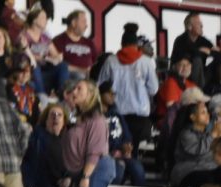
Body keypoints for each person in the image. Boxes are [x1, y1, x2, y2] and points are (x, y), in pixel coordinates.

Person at [97, 24, 158, 154]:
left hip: (118, 114)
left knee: (116, 151)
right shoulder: (146, 62)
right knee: (132, 152)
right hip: (140, 115)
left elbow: (100, 87)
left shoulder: (110, 61)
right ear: (136, 45)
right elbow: (154, 90)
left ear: (122, 44)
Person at [15, 5, 65, 95]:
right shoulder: (23, 36)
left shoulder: (45, 37)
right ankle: (41, 95)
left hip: (45, 68)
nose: (46, 20)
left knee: (63, 65)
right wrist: (45, 58)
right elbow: (24, 55)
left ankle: (62, 94)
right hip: (30, 70)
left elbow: (55, 54)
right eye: (43, 17)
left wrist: (57, 58)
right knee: (34, 66)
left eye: (46, 18)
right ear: (34, 20)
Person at [170, 102, 221, 187]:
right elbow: (199, 153)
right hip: (189, 171)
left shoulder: (208, 133)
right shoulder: (186, 134)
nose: (207, 115)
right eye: (203, 112)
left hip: (210, 170)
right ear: (192, 117)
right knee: (207, 180)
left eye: (207, 112)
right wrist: (213, 135)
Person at [170, 12, 214, 89]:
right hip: (182, 76)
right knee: (197, 60)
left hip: (203, 77)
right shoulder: (180, 40)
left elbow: (215, 52)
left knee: (215, 60)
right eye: (198, 23)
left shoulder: (203, 40)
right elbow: (185, 59)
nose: (202, 26)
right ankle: (196, 91)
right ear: (189, 27)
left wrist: (211, 52)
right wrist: (200, 51)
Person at [51, 9, 95, 81]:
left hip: (88, 77)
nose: (86, 25)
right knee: (79, 76)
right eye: (83, 22)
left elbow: (95, 63)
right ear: (73, 23)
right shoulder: (59, 40)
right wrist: (82, 70)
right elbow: (59, 65)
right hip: (71, 77)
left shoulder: (89, 43)